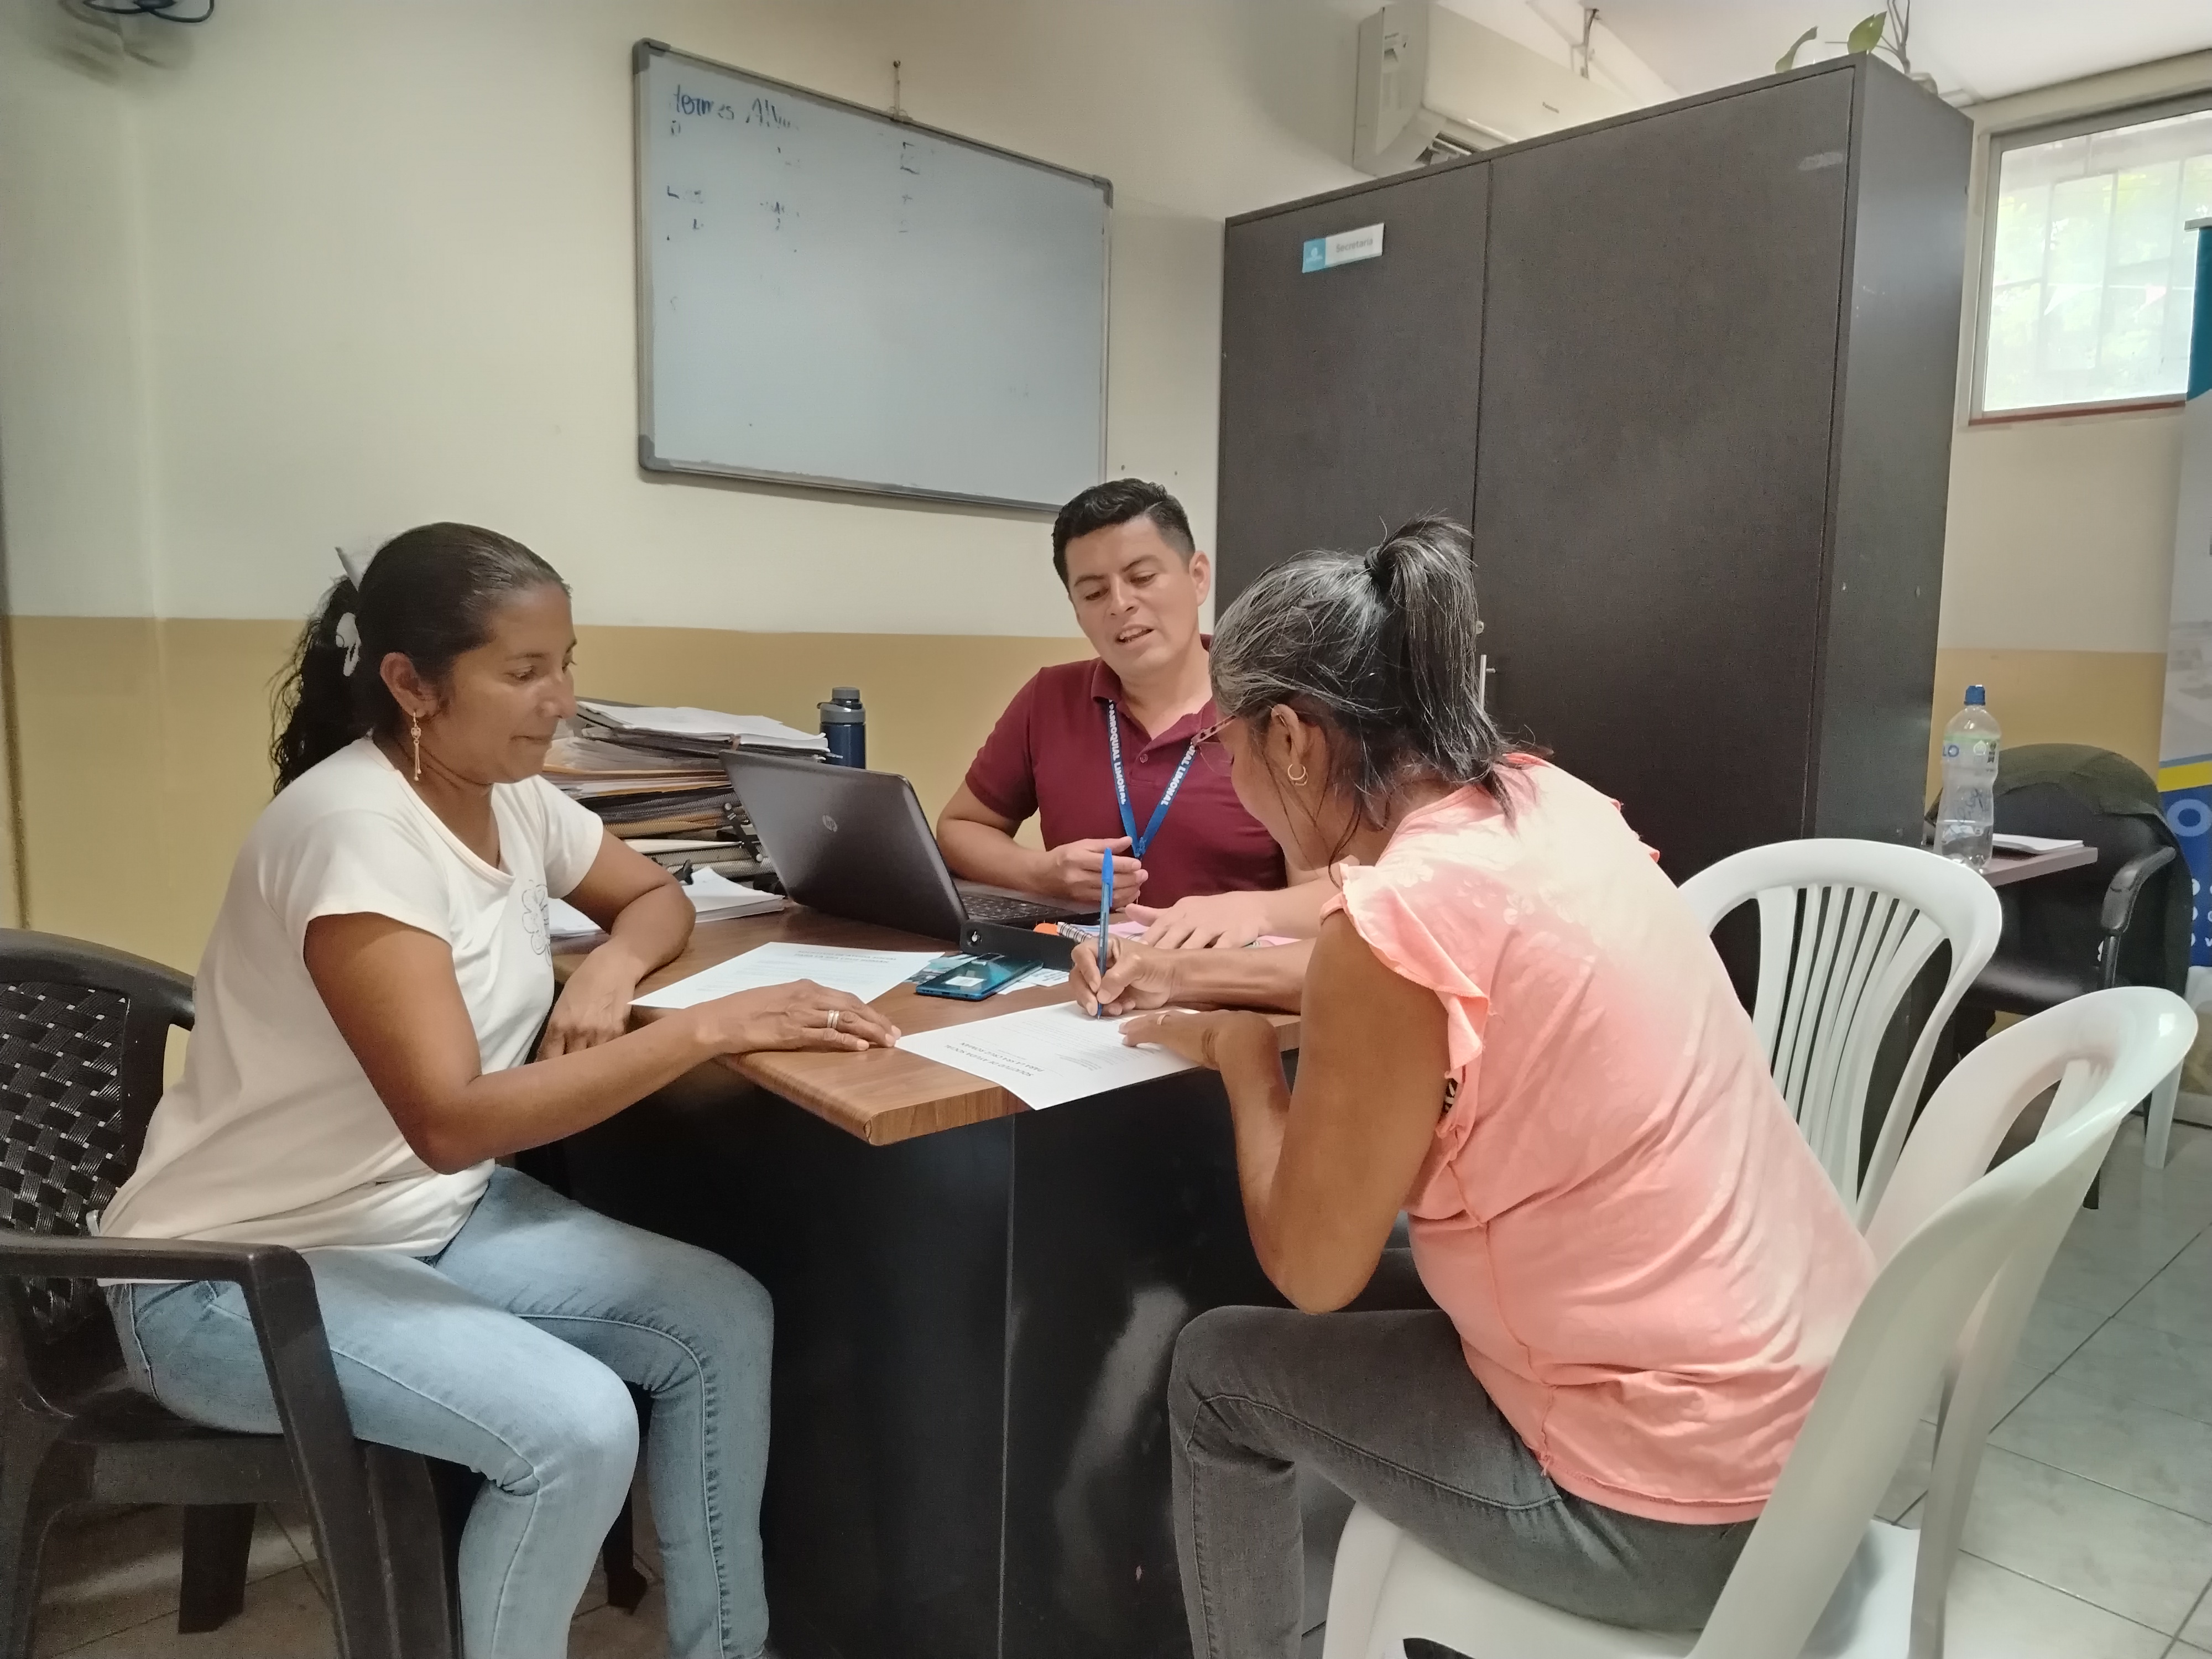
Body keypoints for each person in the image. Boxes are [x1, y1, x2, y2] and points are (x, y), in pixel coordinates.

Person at [96, 524, 898, 1659]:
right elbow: (449, 1121)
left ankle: (726, 1647)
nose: (561, 700)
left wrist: (611, 971)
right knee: (574, 1430)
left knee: (721, 1318)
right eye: (523, 673)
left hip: (421, 1222)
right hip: (235, 1275)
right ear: (411, 685)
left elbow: (655, 899)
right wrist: (707, 1029)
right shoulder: (356, 834)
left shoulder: (509, 795)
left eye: (565, 662)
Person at [1083, 517, 1873, 1654]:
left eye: (1228, 746)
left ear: (1292, 739)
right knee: (1398, 1257)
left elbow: (1311, 1270)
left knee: (1218, 1371)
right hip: (1817, 1441)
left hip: (1676, 1514)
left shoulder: (1395, 919)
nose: (1232, 774)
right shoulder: (1545, 805)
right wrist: (1203, 977)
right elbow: (1447, 993)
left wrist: (1245, 1064)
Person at [936, 478, 1319, 943]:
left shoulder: (1271, 709)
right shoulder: (1050, 697)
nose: (1120, 605)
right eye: (1094, 593)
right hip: (1079, 972)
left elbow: (1335, 893)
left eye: (1142, 578)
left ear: (1198, 576)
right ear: (1077, 610)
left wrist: (1249, 910)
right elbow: (960, 828)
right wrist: (1040, 873)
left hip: (1224, 976)